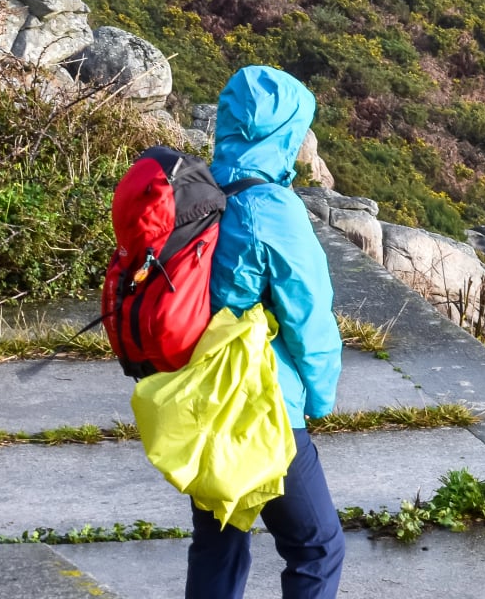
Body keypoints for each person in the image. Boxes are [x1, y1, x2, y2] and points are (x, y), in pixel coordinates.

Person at [190, 65, 346, 599]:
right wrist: (320, 401)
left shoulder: (198, 189)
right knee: (317, 547)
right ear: (284, 133)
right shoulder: (272, 209)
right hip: (263, 401)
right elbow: (309, 317)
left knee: (219, 541)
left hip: (200, 396)